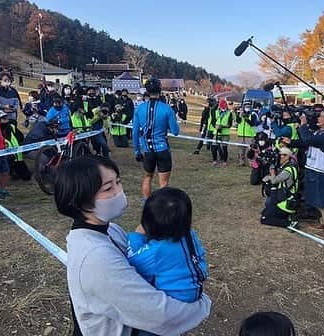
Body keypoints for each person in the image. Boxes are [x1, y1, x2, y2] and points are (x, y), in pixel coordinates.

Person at [54, 156, 211, 336]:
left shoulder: (109, 230)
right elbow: (158, 314)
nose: (118, 191)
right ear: (81, 200)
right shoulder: (95, 257)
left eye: (118, 182)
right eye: (108, 188)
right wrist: (202, 304)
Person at [127, 187, 208, 336]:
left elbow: (132, 261)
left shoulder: (158, 250)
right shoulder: (190, 235)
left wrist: (136, 236)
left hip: (170, 304)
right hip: (192, 292)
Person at [133, 77, 179, 200]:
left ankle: (146, 204)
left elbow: (135, 132)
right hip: (162, 149)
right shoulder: (167, 108)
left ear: (146, 91)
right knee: (163, 184)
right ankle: (162, 207)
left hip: (147, 150)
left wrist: (137, 151)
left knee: (148, 177)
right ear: (160, 90)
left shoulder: (139, 108)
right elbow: (175, 132)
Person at [298, 107, 324, 237]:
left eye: (321, 116)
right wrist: (290, 143)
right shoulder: (319, 132)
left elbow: (308, 139)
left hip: (323, 172)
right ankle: (323, 221)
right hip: (314, 168)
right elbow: (306, 142)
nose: (318, 118)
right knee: (316, 198)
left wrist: (303, 126)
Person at [260, 147, 299, 227]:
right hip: (282, 198)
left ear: (287, 156)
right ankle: (287, 217)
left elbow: (274, 181)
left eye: (282, 155)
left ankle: (289, 223)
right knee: (264, 212)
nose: (280, 157)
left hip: (285, 201)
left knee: (264, 218)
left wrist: (272, 170)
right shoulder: (286, 166)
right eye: (280, 155)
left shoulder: (288, 169)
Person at [0, 110, 31, 181]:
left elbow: (20, 136)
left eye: (6, 117)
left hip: (18, 154)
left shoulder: (11, 127)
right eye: (3, 118)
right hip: (6, 156)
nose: (6, 119)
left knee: (26, 176)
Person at [209, 99, 233, 167]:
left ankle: (225, 161)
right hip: (217, 133)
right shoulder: (216, 112)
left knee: (224, 148)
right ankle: (214, 160)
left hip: (225, 133)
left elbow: (230, 124)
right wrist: (216, 127)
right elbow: (213, 121)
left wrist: (222, 126)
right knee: (214, 147)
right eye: (222, 106)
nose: (223, 108)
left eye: (224, 106)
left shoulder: (229, 113)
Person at [236, 101, 258, 166]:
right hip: (241, 134)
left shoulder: (253, 114)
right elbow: (237, 121)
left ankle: (251, 162)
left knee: (250, 150)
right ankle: (241, 162)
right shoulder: (240, 113)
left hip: (249, 135)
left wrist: (246, 118)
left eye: (248, 106)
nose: (247, 107)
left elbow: (252, 123)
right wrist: (240, 116)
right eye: (246, 106)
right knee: (241, 149)